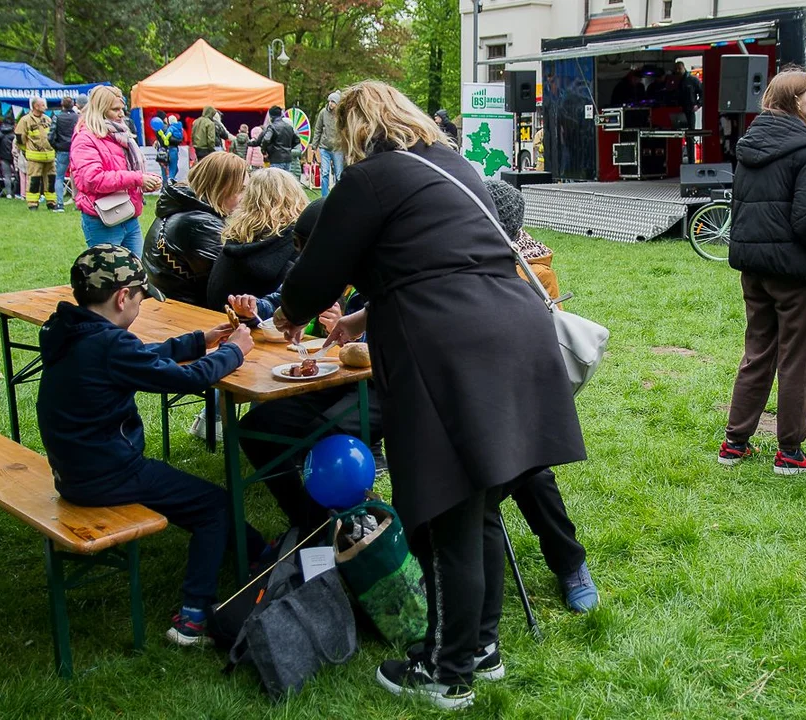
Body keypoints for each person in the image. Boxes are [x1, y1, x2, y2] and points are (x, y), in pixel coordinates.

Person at [271, 81, 586, 709]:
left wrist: (289, 314)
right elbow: (437, 256)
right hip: (514, 330)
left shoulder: (370, 180)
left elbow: (314, 275)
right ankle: (481, 649)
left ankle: (444, 670)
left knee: (444, 515)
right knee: (480, 503)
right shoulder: (454, 165)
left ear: (353, 130)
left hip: (448, 347)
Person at [36, 244, 263, 647]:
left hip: (72, 470)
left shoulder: (70, 331)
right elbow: (189, 381)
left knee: (202, 499)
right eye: (140, 298)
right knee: (214, 506)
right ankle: (193, 617)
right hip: (107, 475)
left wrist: (200, 340)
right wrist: (234, 351)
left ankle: (262, 551)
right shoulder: (108, 346)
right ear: (123, 297)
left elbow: (141, 358)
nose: (139, 306)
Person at [227, 199, 387, 536]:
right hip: (336, 377)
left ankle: (333, 527)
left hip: (388, 384)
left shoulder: (381, 272)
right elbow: (284, 301)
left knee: (327, 432)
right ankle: (308, 523)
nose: (307, 261)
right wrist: (260, 311)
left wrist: (355, 332)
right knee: (258, 427)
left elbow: (399, 332)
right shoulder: (317, 271)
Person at [482, 179, 599, 612]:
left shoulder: (532, 270)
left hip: (512, 394)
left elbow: (542, 348)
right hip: (460, 394)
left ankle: (570, 564)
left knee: (530, 470)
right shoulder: (453, 263)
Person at [719, 69, 806, 475]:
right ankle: (790, 452)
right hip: (794, 272)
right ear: (795, 101)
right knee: (797, 358)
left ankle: (735, 441)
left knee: (758, 350)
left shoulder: (750, 146)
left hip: (753, 269)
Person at [143, 151, 248, 306]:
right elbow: (229, 283)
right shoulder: (200, 224)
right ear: (221, 186)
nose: (245, 197)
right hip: (184, 309)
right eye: (241, 190)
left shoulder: (182, 206)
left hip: (168, 301)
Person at [70, 86, 162, 256]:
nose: (121, 114)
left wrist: (148, 180)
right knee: (111, 277)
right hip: (102, 219)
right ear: (101, 109)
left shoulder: (121, 135)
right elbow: (92, 179)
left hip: (128, 215)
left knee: (138, 274)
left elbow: (130, 170)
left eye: (122, 109)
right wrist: (137, 179)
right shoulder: (85, 138)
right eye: (115, 109)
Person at [206, 167, 306, 310]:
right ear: (296, 197)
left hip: (220, 320)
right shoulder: (296, 241)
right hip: (269, 325)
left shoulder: (235, 238)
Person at [14, 97, 57, 210]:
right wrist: (27, 150)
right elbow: (19, 139)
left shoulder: (48, 119)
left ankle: (51, 202)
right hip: (35, 157)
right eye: (43, 105)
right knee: (34, 180)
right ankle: (33, 203)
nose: (46, 107)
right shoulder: (25, 120)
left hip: (49, 156)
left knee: (51, 179)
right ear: (35, 106)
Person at [49, 96, 79, 212]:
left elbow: (51, 135)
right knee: (77, 176)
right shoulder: (77, 117)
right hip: (75, 149)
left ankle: (60, 204)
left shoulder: (57, 117)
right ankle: (78, 202)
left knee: (59, 177)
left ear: (62, 104)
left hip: (62, 149)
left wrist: (56, 146)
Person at [312, 92, 345, 197]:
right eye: (329, 101)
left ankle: (337, 196)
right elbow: (318, 130)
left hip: (337, 148)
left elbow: (346, 130)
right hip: (324, 148)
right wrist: (314, 146)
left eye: (333, 102)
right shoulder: (323, 113)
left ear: (337, 103)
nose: (330, 104)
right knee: (324, 173)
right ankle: (324, 196)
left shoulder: (342, 114)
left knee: (338, 174)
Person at [674, 62, 704, 160]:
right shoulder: (676, 81)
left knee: (690, 135)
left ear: (683, 67)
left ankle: (691, 159)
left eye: (679, 68)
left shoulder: (692, 80)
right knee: (677, 135)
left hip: (689, 111)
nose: (678, 71)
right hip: (679, 111)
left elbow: (703, 92)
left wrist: (698, 104)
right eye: (676, 69)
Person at [155, 114, 184, 187]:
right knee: (174, 167)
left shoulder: (170, 128)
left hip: (169, 149)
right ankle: (170, 182)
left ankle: (169, 183)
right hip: (175, 149)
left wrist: (164, 138)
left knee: (170, 168)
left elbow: (166, 137)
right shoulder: (180, 128)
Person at [0, 116, 17, 198]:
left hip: (3, 156)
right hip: (15, 156)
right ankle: (17, 192)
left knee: (6, 176)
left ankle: (8, 193)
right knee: (18, 175)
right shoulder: (15, 132)